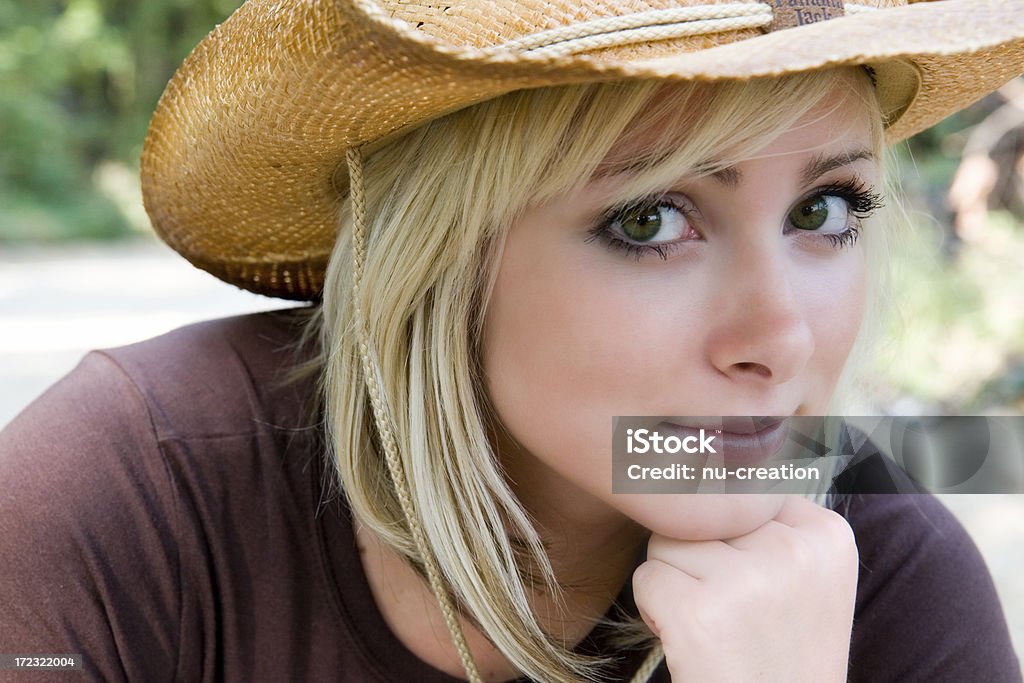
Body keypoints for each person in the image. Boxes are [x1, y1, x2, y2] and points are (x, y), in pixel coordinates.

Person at [2, 0, 1023, 681]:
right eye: (650, 220)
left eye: (823, 210)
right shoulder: (124, 500)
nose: (780, 337)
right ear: (437, 255)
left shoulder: (888, 575)